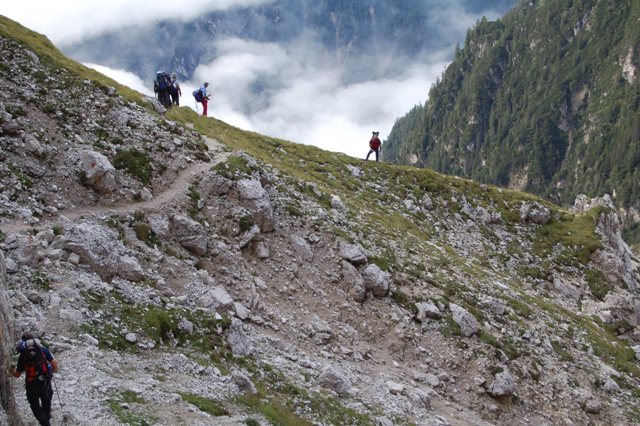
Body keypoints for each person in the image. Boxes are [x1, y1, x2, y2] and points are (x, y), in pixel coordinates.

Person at [8, 334, 59, 426]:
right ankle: (47, 419)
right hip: (45, 382)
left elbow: (17, 375)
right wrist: (49, 372)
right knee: (46, 400)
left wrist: (12, 370)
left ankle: (45, 423)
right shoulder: (43, 349)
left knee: (35, 406)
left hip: (31, 384)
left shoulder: (23, 354)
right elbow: (55, 366)